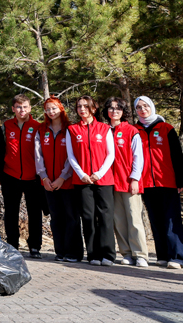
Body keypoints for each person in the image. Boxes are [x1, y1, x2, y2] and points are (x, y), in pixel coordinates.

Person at [134, 96, 183, 269]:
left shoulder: (166, 128)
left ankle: (178, 257)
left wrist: (181, 180)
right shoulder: (134, 130)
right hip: (147, 183)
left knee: (171, 220)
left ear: (152, 106)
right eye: (139, 107)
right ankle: (163, 255)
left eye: (146, 106)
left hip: (168, 181)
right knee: (155, 220)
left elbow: (178, 156)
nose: (143, 110)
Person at [65, 95, 115, 266]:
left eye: (86, 106)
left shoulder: (104, 128)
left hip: (104, 179)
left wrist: (99, 174)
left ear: (94, 108)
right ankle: (93, 254)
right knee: (88, 217)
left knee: (105, 216)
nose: (82, 109)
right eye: (79, 106)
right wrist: (81, 174)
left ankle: (108, 255)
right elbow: (71, 156)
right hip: (82, 180)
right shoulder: (72, 129)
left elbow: (111, 154)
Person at [104, 96, 148, 267]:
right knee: (118, 220)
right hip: (109, 182)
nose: (114, 111)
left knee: (134, 218)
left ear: (123, 112)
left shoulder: (131, 131)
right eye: (111, 108)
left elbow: (138, 157)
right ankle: (126, 253)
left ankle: (140, 254)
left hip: (129, 181)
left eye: (118, 108)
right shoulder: (103, 130)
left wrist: (135, 178)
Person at [35, 96, 78, 262]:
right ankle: (60, 251)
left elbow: (71, 156)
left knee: (71, 217)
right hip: (48, 183)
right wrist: (44, 177)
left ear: (61, 109)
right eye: (48, 109)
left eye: (54, 108)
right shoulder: (41, 130)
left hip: (66, 182)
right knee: (56, 217)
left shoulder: (70, 129)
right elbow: (38, 156)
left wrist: (62, 177)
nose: (51, 112)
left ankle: (73, 253)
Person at [1, 94, 44, 257]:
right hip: (10, 175)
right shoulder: (6, 126)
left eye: (25, 107)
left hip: (32, 177)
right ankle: (12, 244)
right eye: (19, 107)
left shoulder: (37, 126)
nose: (22, 110)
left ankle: (35, 246)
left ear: (30, 108)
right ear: (13, 109)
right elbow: (0, 150)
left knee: (34, 213)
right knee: (11, 212)